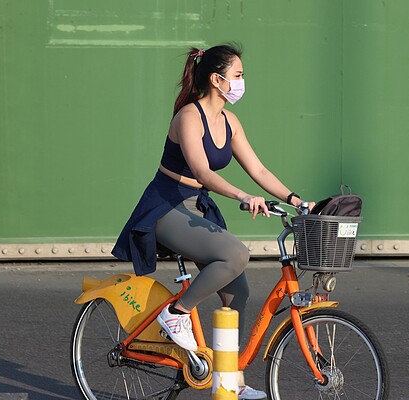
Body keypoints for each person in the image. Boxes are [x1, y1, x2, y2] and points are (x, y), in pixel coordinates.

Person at [112, 43, 312, 400]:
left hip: (197, 208)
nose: (241, 82)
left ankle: (229, 382)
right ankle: (177, 312)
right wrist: (243, 197)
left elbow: (258, 169)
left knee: (238, 292)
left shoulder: (230, 121)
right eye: (237, 75)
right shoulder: (188, 117)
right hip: (167, 206)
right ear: (217, 79)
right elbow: (202, 172)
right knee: (236, 254)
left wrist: (296, 200)